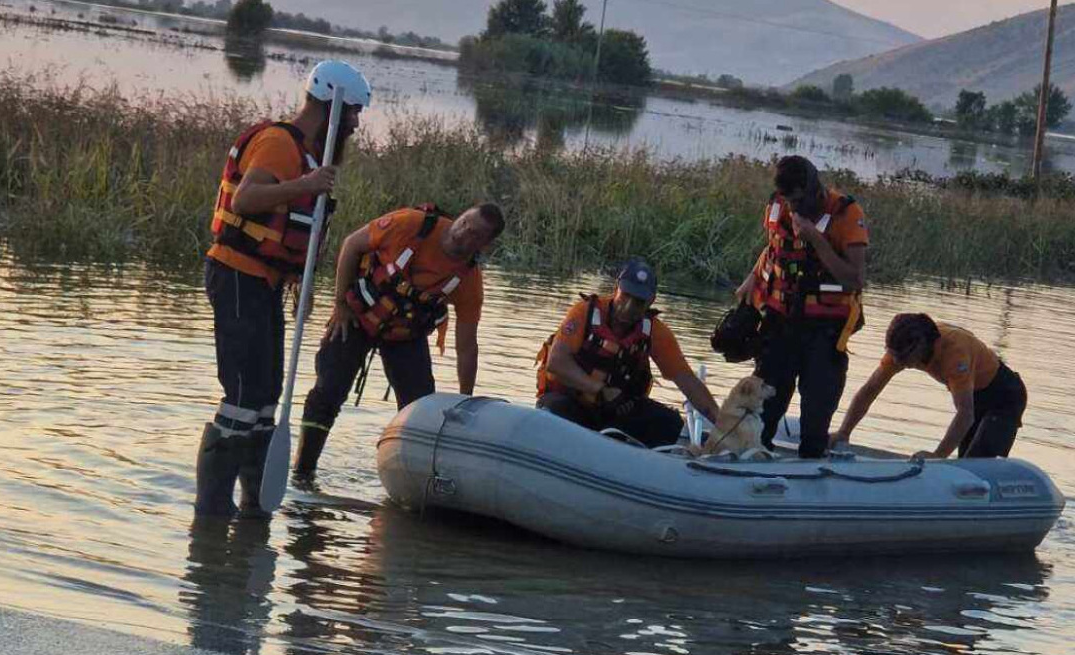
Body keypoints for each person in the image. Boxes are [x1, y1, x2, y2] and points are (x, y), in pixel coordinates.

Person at [196, 60, 372, 517]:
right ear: (331, 105)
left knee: (267, 396)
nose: (355, 123)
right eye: (351, 112)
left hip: (266, 283)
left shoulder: (310, 154)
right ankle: (212, 512)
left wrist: (302, 282)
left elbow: (295, 230)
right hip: (237, 275)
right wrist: (304, 185)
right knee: (242, 395)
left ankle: (254, 506)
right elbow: (247, 198)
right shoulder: (278, 143)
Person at [292, 203, 506, 482]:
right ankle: (303, 472)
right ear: (460, 216)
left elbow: (466, 345)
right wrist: (340, 304)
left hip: (405, 336)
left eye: (475, 234)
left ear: (485, 245)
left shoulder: (469, 281)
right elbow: (351, 245)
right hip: (356, 318)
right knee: (328, 392)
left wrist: (465, 398)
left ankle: (412, 481)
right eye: (464, 222)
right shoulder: (409, 224)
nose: (463, 232)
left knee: (420, 409)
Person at [733, 155, 868, 458]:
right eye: (788, 200)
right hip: (779, 321)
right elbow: (774, 249)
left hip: (825, 330)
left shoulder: (845, 214)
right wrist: (751, 280)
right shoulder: (776, 206)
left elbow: (855, 278)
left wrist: (815, 239)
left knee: (816, 411)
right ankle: (751, 462)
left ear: (814, 191)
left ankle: (812, 469)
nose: (794, 208)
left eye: (798, 201)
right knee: (765, 406)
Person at [535, 259, 719, 447]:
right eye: (626, 296)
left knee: (670, 423)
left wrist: (722, 425)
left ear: (651, 301)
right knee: (554, 410)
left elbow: (688, 381)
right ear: (616, 289)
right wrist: (600, 390)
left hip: (618, 412)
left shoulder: (655, 332)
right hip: (571, 402)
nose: (629, 307)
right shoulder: (584, 312)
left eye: (639, 302)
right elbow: (556, 363)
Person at [830, 313, 1028, 459]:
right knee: (964, 462)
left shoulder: (954, 353)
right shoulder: (899, 353)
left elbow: (965, 413)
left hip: (1004, 396)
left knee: (976, 462)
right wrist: (844, 432)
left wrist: (938, 456)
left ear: (923, 345)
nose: (899, 362)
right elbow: (870, 390)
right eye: (895, 356)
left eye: (904, 357)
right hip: (974, 394)